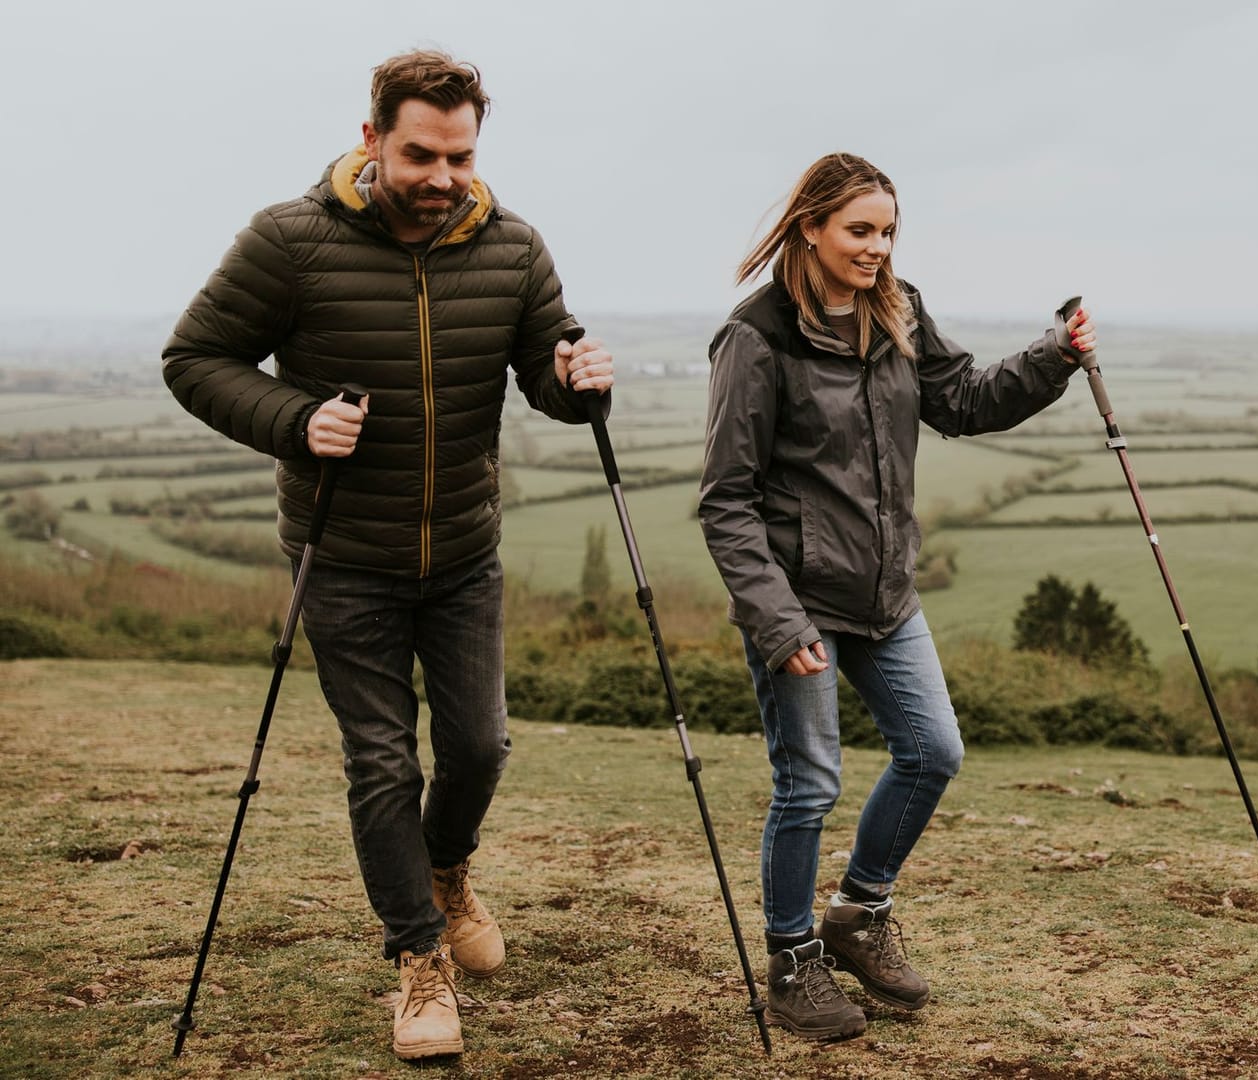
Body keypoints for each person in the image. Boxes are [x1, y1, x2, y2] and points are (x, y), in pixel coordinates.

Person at [161, 50, 614, 1061]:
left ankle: (446, 872)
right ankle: (419, 964)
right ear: (372, 139)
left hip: (462, 549)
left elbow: (551, 383)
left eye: (459, 155)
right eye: (421, 153)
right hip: (343, 553)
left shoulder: (514, 247)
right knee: (380, 757)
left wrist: (581, 378)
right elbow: (193, 360)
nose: (443, 176)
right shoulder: (290, 240)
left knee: (482, 746)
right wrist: (293, 418)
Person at [698, 152, 1096, 1041]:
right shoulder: (757, 337)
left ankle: (858, 913)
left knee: (934, 751)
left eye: (888, 231)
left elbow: (961, 400)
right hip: (798, 601)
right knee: (808, 784)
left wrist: (1052, 356)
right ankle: (793, 962)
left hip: (885, 592)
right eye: (860, 230)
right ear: (811, 227)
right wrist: (775, 617)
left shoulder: (898, 310)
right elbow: (726, 498)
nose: (878, 248)